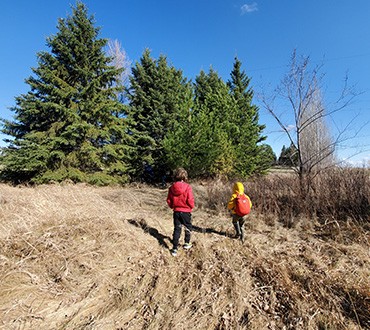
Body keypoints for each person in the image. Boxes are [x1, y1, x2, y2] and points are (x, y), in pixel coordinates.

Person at [166, 168, 195, 256]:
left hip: (176, 211)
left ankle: (174, 249)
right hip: (186, 211)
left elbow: (169, 200)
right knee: (188, 227)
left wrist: (173, 207)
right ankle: (186, 243)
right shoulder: (188, 187)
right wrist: (191, 206)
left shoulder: (171, 187)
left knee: (177, 229)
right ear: (185, 177)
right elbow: (190, 199)